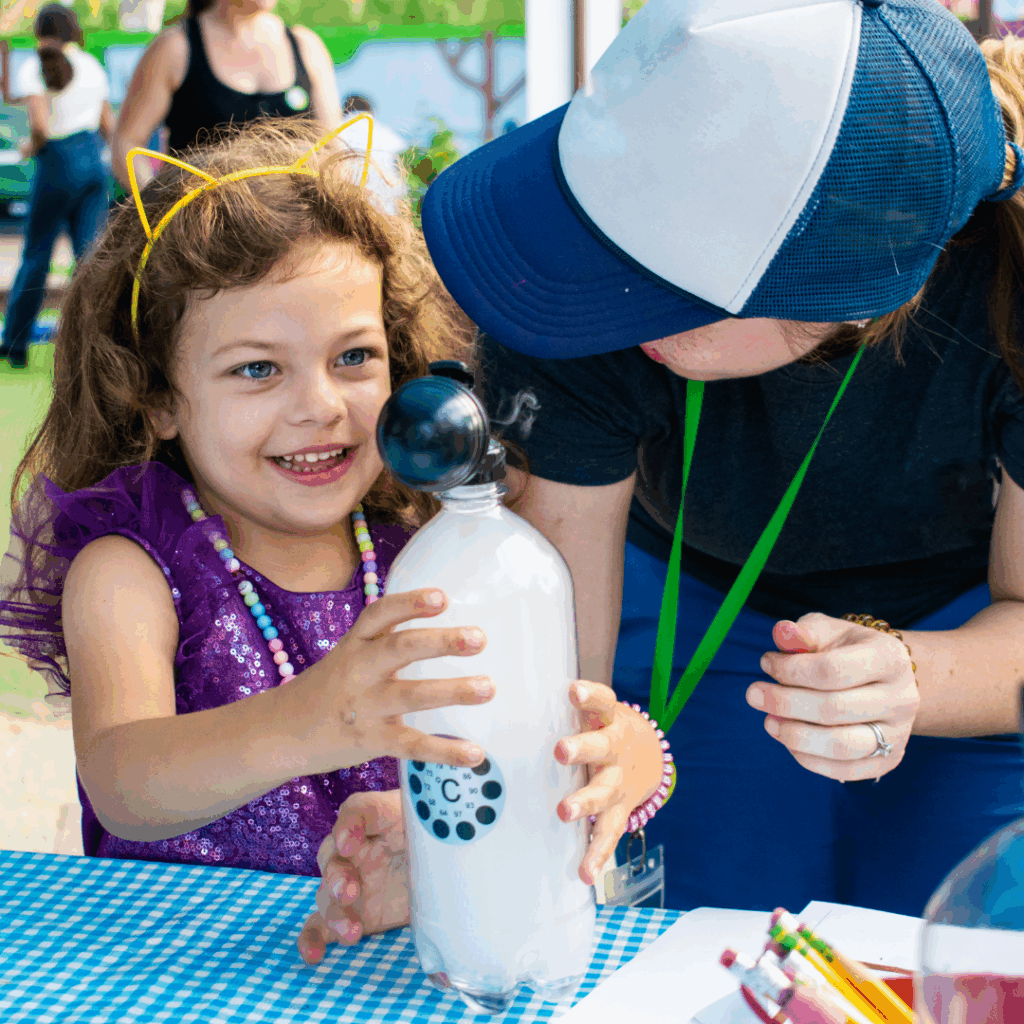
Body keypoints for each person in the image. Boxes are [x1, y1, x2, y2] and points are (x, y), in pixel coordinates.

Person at [304, 0, 1024, 940]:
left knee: (958, 938)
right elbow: (558, 678)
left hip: (973, 628)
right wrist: (474, 843)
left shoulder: (1005, 284)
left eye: (661, 273)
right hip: (695, 588)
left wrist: (913, 679)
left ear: (845, 289)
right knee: (706, 933)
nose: (597, 291)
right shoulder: (565, 267)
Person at [0, 119, 656, 950]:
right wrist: (308, 719)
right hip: (182, 964)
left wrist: (629, 758)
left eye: (353, 357)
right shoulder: (134, 568)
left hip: (394, 960)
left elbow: (527, 742)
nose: (320, 405)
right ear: (157, 399)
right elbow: (124, 781)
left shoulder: (428, 550)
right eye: (257, 369)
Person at [111, 0, 342, 190]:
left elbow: (333, 148)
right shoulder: (176, 48)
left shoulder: (306, 46)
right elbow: (126, 143)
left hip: (294, 229)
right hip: (205, 236)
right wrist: (162, 209)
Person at [0, 4, 113, 370]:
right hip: (93, 161)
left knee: (36, 256)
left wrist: (27, 148)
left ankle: (15, 344)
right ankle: (98, 347)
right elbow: (107, 123)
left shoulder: (35, 66)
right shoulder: (93, 67)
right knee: (90, 260)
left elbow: (41, 129)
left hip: (57, 163)